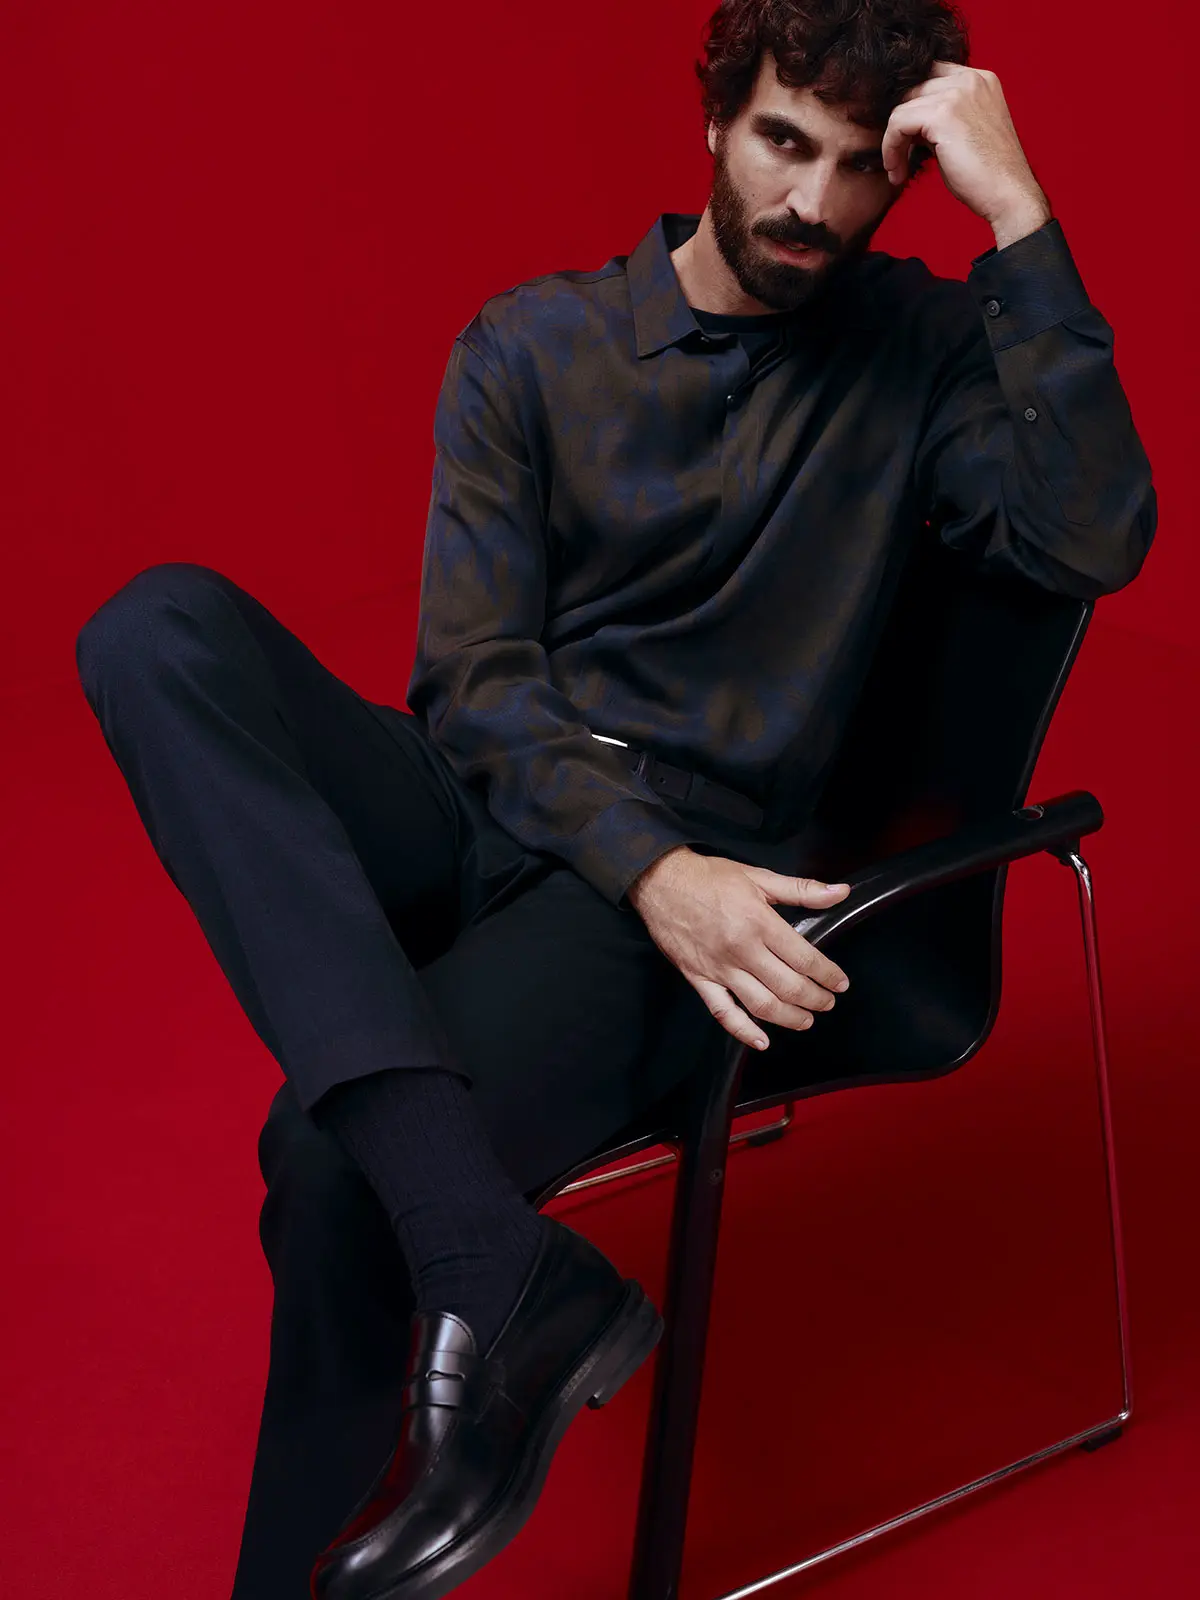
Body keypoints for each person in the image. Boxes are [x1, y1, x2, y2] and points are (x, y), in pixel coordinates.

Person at [74, 0, 1156, 1596]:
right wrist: (647, 861)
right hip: (512, 813)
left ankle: (446, 1295)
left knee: (329, 1165)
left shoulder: (927, 356)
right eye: (787, 141)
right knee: (152, 627)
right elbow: (478, 686)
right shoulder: (535, 344)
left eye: (864, 167)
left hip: (685, 897)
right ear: (717, 121)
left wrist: (1023, 217)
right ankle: (497, 1262)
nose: (814, 200)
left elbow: (1094, 538)